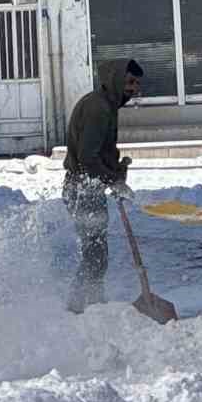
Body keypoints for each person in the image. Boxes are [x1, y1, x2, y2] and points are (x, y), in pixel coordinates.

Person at [63, 58, 142, 313]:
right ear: (115, 79)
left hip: (88, 187)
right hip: (82, 189)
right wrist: (113, 181)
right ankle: (80, 306)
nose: (134, 88)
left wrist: (117, 170)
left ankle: (89, 303)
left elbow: (99, 153)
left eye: (137, 84)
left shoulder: (105, 105)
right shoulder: (99, 109)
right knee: (95, 254)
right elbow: (87, 157)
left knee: (96, 252)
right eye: (130, 82)